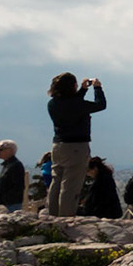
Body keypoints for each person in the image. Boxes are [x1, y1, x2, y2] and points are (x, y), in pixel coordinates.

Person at [45, 73, 106, 218]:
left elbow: (71, 104)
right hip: (76, 147)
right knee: (70, 185)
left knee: (56, 181)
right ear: (72, 86)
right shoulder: (77, 104)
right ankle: (65, 219)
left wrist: (83, 90)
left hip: (58, 146)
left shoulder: (52, 103)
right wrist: (97, 88)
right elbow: (100, 105)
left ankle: (52, 216)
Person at [0, 140, 26, 212]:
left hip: (10, 205)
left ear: (11, 150)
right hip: (5, 204)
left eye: (1, 149)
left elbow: (18, 186)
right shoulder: (7, 165)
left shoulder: (16, 165)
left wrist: (5, 200)